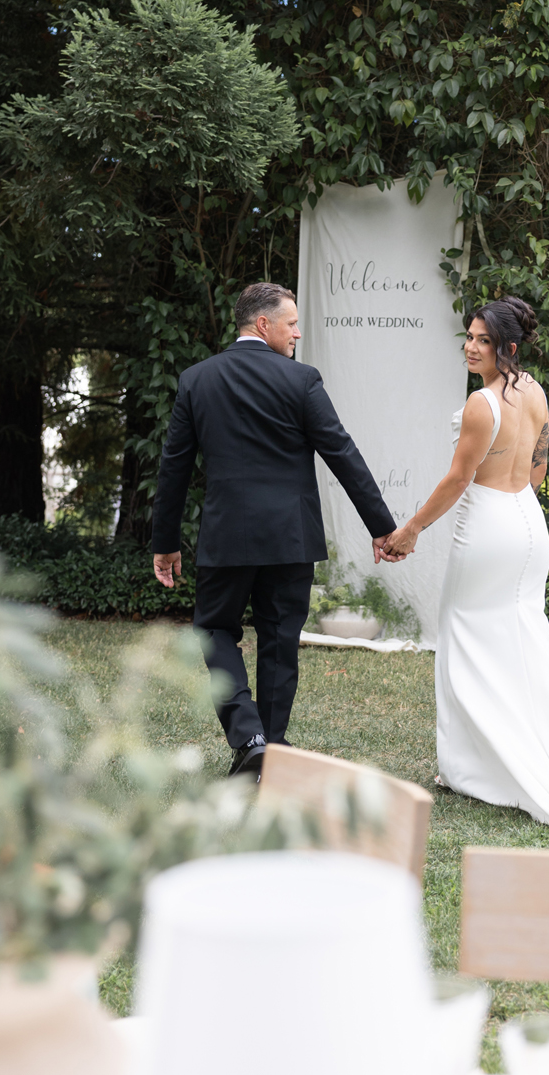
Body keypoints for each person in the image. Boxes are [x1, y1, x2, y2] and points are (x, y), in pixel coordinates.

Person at [383, 296, 549, 845]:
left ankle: (469, 768)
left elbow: (458, 480)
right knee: (522, 640)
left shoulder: (482, 404)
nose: (470, 347)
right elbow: (537, 471)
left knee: (464, 639)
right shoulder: (535, 391)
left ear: (507, 346)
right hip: (528, 524)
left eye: (482, 340)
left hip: (487, 526)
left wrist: (411, 529)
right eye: (468, 336)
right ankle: (542, 749)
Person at [151, 282, 399, 780]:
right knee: (280, 638)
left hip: (227, 535)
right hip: (290, 536)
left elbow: (174, 467)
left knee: (214, 630)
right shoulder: (301, 380)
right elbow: (341, 452)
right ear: (263, 324)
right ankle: (272, 747)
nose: (297, 333)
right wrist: (381, 526)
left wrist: (165, 542)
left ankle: (251, 739)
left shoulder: (197, 380)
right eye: (292, 324)